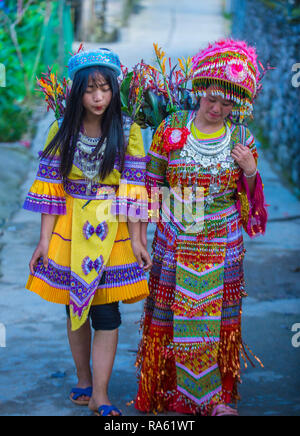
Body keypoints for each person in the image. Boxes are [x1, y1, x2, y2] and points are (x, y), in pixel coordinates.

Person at [135, 39, 268, 416]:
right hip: (175, 240)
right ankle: (168, 393)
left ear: (237, 104)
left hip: (222, 242)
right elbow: (153, 183)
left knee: (215, 321)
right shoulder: (171, 128)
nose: (217, 108)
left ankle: (212, 398)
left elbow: (253, 203)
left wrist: (250, 171)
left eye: (228, 102)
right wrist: (146, 237)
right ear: (199, 91)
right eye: (212, 98)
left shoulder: (242, 139)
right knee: (170, 316)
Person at [23, 48, 152, 416]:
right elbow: (50, 192)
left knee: (107, 313)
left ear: (115, 91)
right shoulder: (59, 130)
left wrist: (139, 240)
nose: (98, 97)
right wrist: (44, 241)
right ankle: (83, 377)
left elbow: (134, 192)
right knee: (73, 309)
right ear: (77, 92)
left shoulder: (130, 131)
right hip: (69, 230)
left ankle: (101, 393)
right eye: (90, 89)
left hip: (112, 231)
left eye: (105, 89)